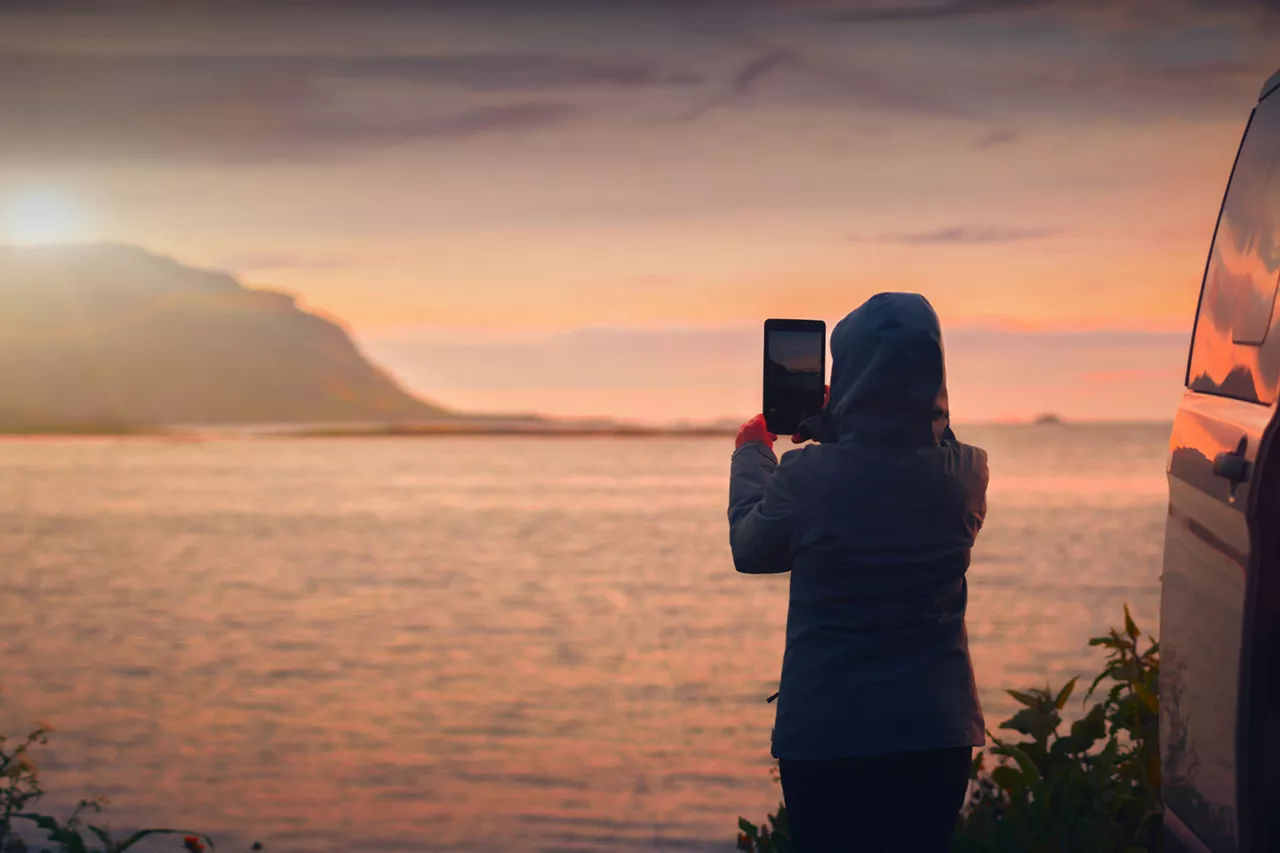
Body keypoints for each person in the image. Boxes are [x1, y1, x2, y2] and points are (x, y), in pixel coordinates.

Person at [728, 293, 988, 853]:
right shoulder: (966, 473)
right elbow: (921, 444)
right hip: (935, 733)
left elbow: (751, 548)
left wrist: (752, 453)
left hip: (830, 735)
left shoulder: (807, 477)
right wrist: (851, 422)